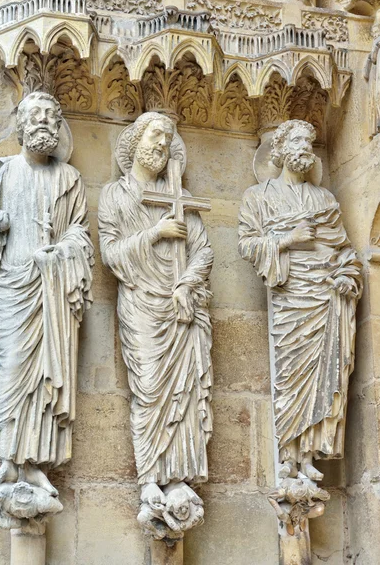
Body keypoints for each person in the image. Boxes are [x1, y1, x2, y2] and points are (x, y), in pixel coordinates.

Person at [0, 92, 94, 496]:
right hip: (15, 287)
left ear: (58, 126)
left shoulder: (69, 178)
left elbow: (80, 232)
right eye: (34, 115)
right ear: (21, 126)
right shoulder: (3, 173)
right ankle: (9, 459)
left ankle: (36, 462)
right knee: (12, 371)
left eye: (50, 115)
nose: (43, 121)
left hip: (52, 288)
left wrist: (62, 253)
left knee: (48, 377)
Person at [98, 112, 213, 534]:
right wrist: (155, 233)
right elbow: (110, 254)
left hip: (181, 307)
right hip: (142, 305)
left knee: (183, 394)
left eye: (168, 140)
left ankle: (179, 473)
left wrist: (186, 284)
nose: (161, 145)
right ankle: (149, 477)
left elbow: (203, 250)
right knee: (149, 390)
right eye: (154, 136)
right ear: (135, 141)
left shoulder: (180, 196)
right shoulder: (116, 196)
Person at [238, 120, 362, 481]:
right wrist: (288, 238)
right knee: (291, 376)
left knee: (323, 374)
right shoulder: (257, 197)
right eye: (297, 140)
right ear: (278, 149)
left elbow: (347, 253)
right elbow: (247, 244)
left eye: (309, 141)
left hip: (324, 295)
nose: (305, 147)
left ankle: (308, 453)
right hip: (291, 297)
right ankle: (287, 457)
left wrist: (345, 275)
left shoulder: (325, 200)